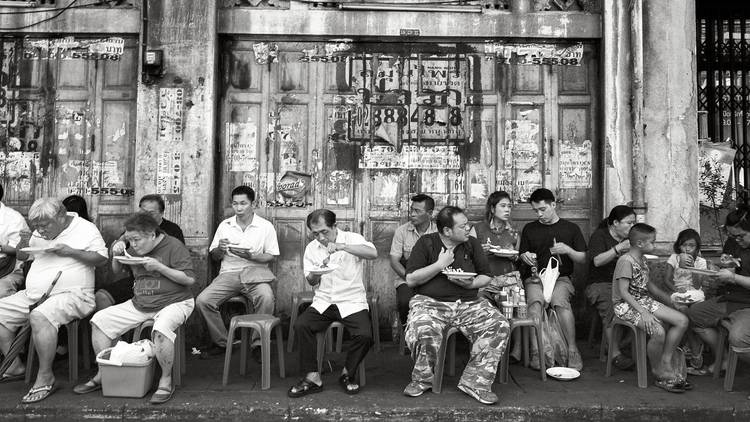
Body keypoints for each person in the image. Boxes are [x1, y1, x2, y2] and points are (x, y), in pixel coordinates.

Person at [74, 213, 195, 404]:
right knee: (100, 320)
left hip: (175, 301)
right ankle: (105, 372)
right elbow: (117, 270)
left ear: (152, 235)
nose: (134, 244)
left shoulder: (173, 246)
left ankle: (165, 379)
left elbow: (189, 279)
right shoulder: (135, 248)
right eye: (130, 240)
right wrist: (117, 253)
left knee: (161, 329)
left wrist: (160, 267)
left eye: (137, 240)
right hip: (140, 302)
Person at [0, 198, 107, 403]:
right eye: (36, 226)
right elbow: (23, 256)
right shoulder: (40, 231)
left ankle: (46, 375)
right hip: (34, 295)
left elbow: (102, 259)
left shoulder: (86, 228)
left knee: (40, 315)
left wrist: (71, 251)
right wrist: (23, 243)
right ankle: (15, 367)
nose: (40, 230)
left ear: (61, 216)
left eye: (44, 225)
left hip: (74, 295)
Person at [403, 205, 509, 405]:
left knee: (499, 324)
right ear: (447, 231)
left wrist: (471, 283)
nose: (468, 229)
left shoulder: (472, 244)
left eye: (467, 224)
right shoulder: (426, 243)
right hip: (430, 303)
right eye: (463, 226)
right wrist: (439, 265)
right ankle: (422, 379)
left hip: (468, 303)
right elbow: (411, 280)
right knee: (423, 328)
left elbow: (485, 276)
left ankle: (475, 382)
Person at [288, 209, 376, 398]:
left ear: (334, 226)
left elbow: (372, 253)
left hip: (352, 301)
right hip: (324, 301)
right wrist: (315, 274)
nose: (320, 237)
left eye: (324, 232)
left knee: (365, 335)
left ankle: (347, 374)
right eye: (315, 233)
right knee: (301, 325)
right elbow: (311, 281)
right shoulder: (312, 248)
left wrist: (342, 246)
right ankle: (313, 378)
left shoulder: (352, 238)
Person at [197, 186, 279, 359]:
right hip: (229, 273)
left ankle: (258, 344)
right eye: (235, 204)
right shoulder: (225, 225)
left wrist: (253, 256)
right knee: (203, 301)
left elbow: (271, 256)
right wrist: (220, 248)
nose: (239, 208)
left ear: (253, 203)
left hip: (256, 273)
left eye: (243, 203)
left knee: (266, 297)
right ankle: (223, 342)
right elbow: (215, 255)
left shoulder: (265, 226)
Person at [613, 223, 690, 393]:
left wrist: (671, 302)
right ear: (640, 243)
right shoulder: (625, 261)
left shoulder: (643, 260)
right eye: (652, 242)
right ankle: (658, 372)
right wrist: (644, 313)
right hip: (625, 305)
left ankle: (665, 361)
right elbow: (623, 293)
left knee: (682, 321)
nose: (654, 246)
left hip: (643, 301)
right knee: (658, 331)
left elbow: (650, 287)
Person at [518, 188, 587, 370]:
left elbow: (583, 258)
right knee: (535, 303)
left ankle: (572, 349)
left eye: (543, 209)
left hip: (561, 278)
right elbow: (522, 255)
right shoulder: (529, 229)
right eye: (536, 211)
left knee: (559, 302)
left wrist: (568, 251)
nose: (539, 214)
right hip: (535, 277)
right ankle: (537, 351)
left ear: (553, 205)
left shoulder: (571, 228)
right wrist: (525, 256)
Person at [688, 205, 750, 379]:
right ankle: (724, 359)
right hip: (729, 298)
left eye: (740, 236)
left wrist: (733, 278)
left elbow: (735, 277)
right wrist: (724, 266)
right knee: (693, 314)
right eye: (731, 236)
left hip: (747, 305)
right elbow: (732, 265)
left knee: (738, 338)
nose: (736, 240)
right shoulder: (733, 242)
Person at [95, 194, 186, 311]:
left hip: (163, 282)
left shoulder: (173, 230)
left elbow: (179, 263)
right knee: (101, 297)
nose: (146, 216)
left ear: (162, 213)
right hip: (136, 280)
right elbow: (118, 252)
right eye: (143, 212)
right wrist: (119, 245)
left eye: (151, 213)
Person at [585, 205, 636, 371]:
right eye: (628, 223)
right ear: (615, 222)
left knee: (643, 303)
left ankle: (622, 344)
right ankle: (614, 353)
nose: (631, 227)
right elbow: (597, 261)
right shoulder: (600, 236)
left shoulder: (632, 239)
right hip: (600, 283)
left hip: (625, 283)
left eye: (633, 223)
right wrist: (618, 248)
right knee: (613, 305)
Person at [663, 229, 710, 374]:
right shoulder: (674, 258)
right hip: (678, 294)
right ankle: (695, 347)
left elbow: (697, 285)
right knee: (684, 313)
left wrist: (692, 266)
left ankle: (691, 347)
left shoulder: (701, 262)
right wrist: (676, 290)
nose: (687, 249)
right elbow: (667, 279)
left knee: (694, 313)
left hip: (695, 294)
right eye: (684, 245)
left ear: (697, 247)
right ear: (679, 246)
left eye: (691, 246)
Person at [389, 194, 437, 326]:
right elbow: (394, 261)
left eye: (417, 211)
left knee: (440, 301)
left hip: (432, 279)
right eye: (412, 210)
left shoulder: (439, 232)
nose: (413, 214)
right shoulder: (402, 231)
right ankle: (407, 331)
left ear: (430, 213)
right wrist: (410, 279)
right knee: (405, 302)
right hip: (407, 279)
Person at [0, 184, 29, 298]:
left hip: (8, 269)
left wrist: (1, 248)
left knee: (1, 294)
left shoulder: (13, 218)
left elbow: (20, 251)